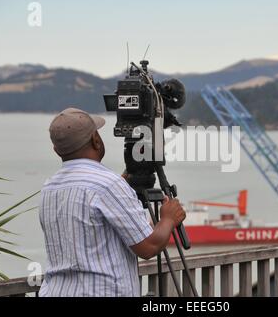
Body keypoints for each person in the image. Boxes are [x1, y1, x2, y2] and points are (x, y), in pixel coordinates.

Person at [39, 107, 186, 297]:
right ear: (96, 140)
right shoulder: (108, 185)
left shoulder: (49, 188)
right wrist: (168, 218)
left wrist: (121, 188)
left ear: (56, 149)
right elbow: (149, 247)